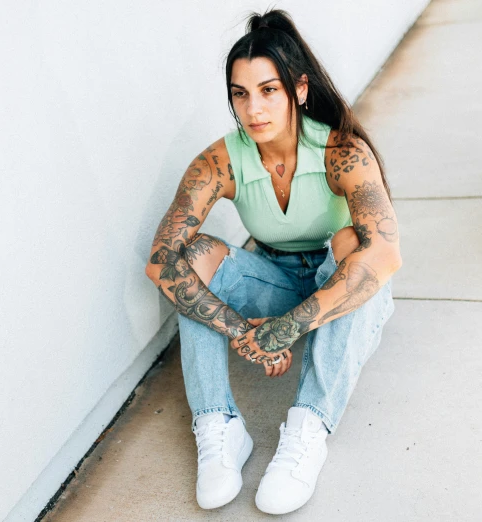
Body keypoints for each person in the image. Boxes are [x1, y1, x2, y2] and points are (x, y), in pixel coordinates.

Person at [144, 8, 402, 515]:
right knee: (191, 257)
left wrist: (283, 331)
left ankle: (308, 426)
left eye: (269, 90)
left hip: (338, 286)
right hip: (273, 281)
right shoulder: (220, 161)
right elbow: (160, 261)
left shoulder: (341, 151)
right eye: (241, 94)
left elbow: (386, 254)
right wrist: (242, 329)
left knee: (354, 241)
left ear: (298, 90)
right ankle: (218, 424)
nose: (253, 109)